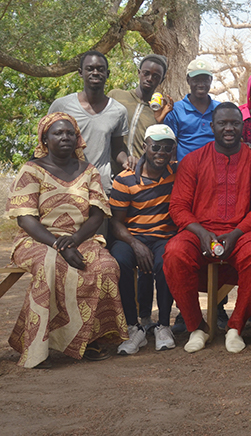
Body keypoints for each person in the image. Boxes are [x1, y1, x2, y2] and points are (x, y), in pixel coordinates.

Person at [6, 113, 127, 368]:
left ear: (77, 138)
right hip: (36, 239)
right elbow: (25, 219)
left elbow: (96, 214)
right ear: (45, 139)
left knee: (106, 267)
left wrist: (73, 241)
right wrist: (57, 245)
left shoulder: (89, 171)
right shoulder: (32, 170)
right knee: (51, 266)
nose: (64, 137)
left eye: (70, 133)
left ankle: (91, 339)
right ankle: (37, 349)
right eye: (58, 133)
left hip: (81, 237)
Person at [163, 103, 251, 354]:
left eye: (234, 122)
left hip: (241, 232)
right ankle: (196, 327)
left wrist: (236, 233)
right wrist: (201, 233)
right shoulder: (193, 161)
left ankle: (235, 327)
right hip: (199, 232)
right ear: (212, 126)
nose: (229, 128)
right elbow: (178, 206)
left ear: (242, 126)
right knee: (174, 251)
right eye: (222, 123)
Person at [109, 124, 178, 354]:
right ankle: (133, 327)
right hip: (131, 236)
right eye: (156, 146)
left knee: (167, 260)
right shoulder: (124, 179)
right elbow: (116, 222)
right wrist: (135, 244)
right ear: (144, 146)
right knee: (120, 260)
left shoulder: (176, 174)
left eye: (167, 147)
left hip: (163, 236)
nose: (161, 152)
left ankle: (164, 325)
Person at [48, 50, 133, 193]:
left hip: (100, 187)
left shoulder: (118, 111)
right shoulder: (61, 106)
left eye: (100, 69)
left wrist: (126, 160)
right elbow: (45, 145)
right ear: (81, 72)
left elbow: (117, 149)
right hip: (66, 186)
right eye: (90, 69)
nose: (95, 73)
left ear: (108, 74)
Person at [108, 54, 174, 175]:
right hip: (110, 172)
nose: (149, 78)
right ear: (139, 73)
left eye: (156, 76)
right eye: (146, 73)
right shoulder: (116, 96)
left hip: (140, 177)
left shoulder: (161, 111)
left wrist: (159, 120)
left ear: (162, 80)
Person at [163, 58, 221, 161]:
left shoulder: (220, 110)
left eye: (205, 80)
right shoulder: (175, 110)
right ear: (188, 80)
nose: (201, 84)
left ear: (211, 80)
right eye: (196, 80)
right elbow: (170, 145)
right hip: (186, 171)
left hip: (215, 171)